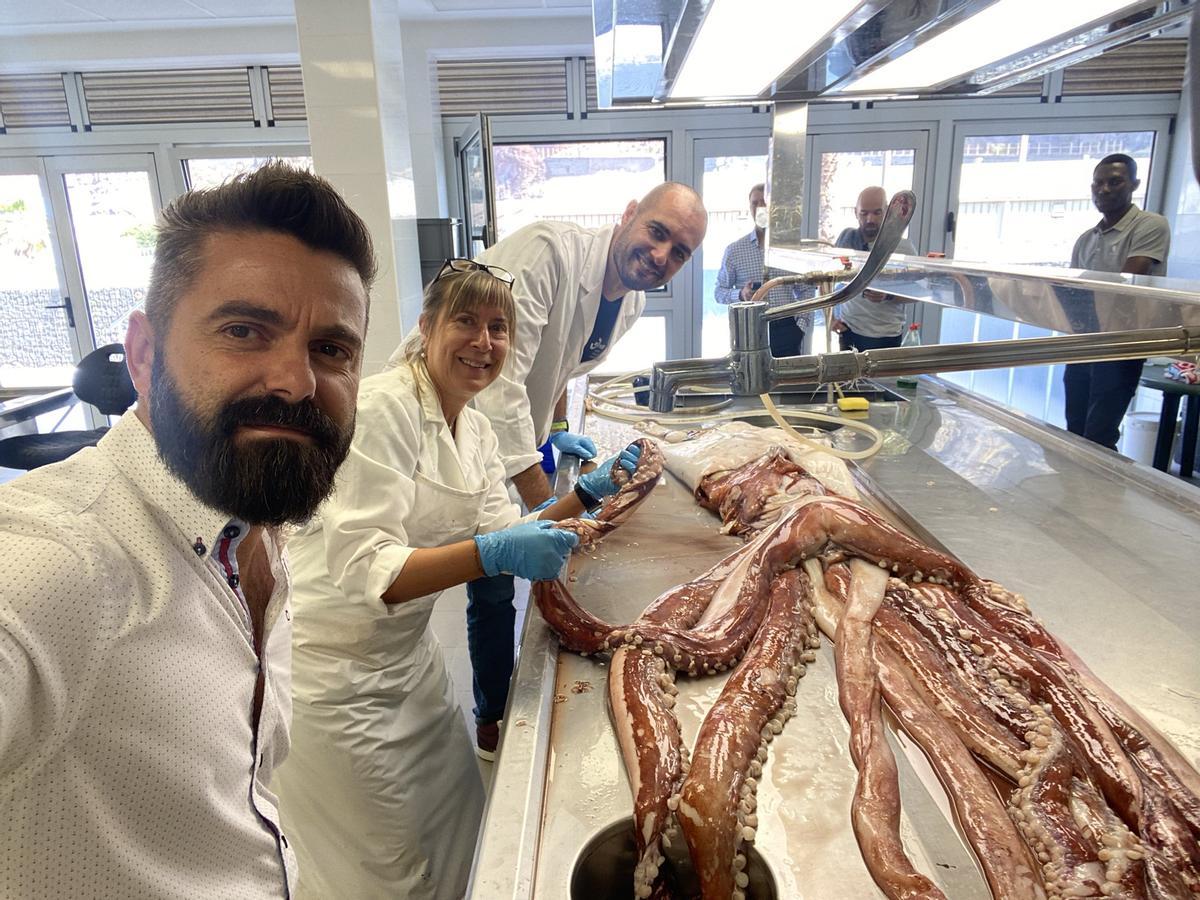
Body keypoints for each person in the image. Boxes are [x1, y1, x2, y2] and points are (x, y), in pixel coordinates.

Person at [0, 163, 375, 897]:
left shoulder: (254, 528)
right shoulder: (57, 560)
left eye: (331, 349)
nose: (295, 381)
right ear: (143, 356)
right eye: (244, 330)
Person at [275, 259, 641, 899]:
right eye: (466, 322)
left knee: (461, 828)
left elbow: (506, 525)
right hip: (332, 678)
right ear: (426, 327)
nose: (484, 342)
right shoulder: (381, 409)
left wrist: (585, 495)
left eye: (499, 328)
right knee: (385, 871)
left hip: (407, 663)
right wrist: (496, 551)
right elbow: (373, 571)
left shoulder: (474, 426)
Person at [415, 181, 706, 757]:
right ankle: (492, 713)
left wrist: (553, 433)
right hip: (450, 417)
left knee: (498, 552)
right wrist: (549, 507)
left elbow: (565, 363)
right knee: (492, 578)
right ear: (628, 213)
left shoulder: (631, 301)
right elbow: (500, 384)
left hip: (500, 428)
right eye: (657, 232)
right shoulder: (549, 254)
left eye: (679, 252)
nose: (661, 256)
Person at [1063, 153, 1170, 451]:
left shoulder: (1150, 225)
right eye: (1098, 183)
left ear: (1134, 184)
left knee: (1099, 432)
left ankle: (1097, 494)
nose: (1105, 190)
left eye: (1115, 182)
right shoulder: (1087, 238)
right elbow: (1074, 293)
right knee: (1074, 429)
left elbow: (1130, 280)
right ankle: (1073, 493)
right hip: (1084, 342)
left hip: (1121, 343)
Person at [715, 182, 811, 356]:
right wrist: (740, 295)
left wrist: (801, 325)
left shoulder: (790, 248)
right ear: (749, 207)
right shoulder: (735, 251)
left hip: (787, 327)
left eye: (765, 202)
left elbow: (806, 289)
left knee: (789, 381)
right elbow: (719, 292)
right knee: (751, 380)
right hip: (750, 329)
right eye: (755, 203)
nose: (760, 207)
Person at [833, 185, 918, 350]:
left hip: (885, 336)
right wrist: (831, 317)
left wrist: (888, 296)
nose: (870, 219)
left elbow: (918, 293)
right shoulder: (847, 240)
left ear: (887, 212)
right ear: (856, 213)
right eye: (864, 213)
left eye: (877, 212)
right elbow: (830, 280)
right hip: (848, 330)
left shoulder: (902, 248)